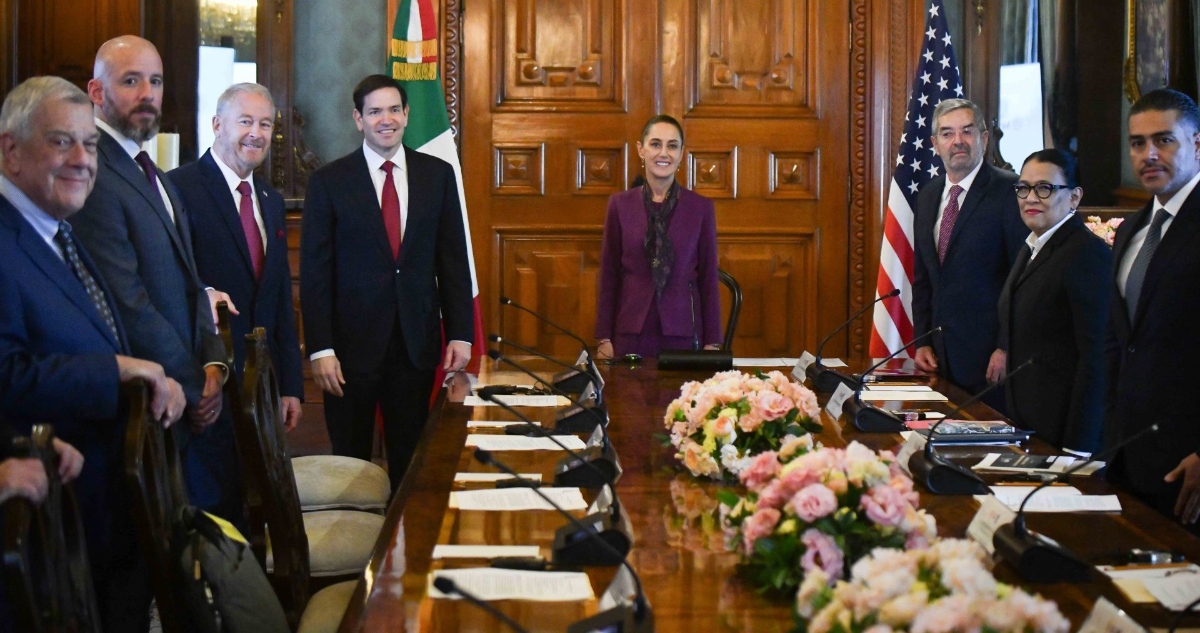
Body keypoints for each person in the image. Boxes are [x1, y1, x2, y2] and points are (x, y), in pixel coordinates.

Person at [0, 74, 185, 631]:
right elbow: (8, 375)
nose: (83, 160)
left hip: (102, 511)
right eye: (62, 142)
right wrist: (119, 368)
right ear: (11, 150)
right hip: (51, 521)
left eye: (91, 144)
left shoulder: (57, 227)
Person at [68, 36, 232, 518]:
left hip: (185, 393)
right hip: (148, 403)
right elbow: (126, 300)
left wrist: (213, 366)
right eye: (131, 80)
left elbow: (190, 281)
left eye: (155, 81)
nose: (147, 93)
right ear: (96, 92)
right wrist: (190, 378)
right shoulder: (92, 172)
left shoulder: (151, 170)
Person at [300, 74, 473, 491]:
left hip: (414, 347)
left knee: (411, 463)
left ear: (408, 114)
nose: (386, 120)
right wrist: (321, 348)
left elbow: (452, 260)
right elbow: (315, 273)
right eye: (375, 111)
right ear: (358, 119)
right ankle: (356, 554)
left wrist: (462, 333)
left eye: (394, 109)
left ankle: (406, 551)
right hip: (348, 353)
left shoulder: (438, 175)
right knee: (350, 466)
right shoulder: (329, 182)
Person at [1105, 88, 1200, 527]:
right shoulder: (1131, 229)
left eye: (1164, 140)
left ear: (1196, 144)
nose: (1149, 154)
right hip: (1128, 453)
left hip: (1189, 461)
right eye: (1137, 143)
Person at [911, 99, 1027, 407]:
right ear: (935, 144)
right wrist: (921, 340)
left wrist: (1006, 347)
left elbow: (1022, 278)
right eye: (947, 134)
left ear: (984, 138)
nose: (958, 141)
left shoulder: (1011, 192)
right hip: (939, 357)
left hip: (990, 360)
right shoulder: (928, 196)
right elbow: (922, 277)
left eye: (967, 131)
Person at [997, 149, 1110, 454]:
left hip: (1065, 433)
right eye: (1023, 188)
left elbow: (1096, 357)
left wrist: (1079, 447)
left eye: (1044, 188)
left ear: (1074, 198)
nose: (1030, 198)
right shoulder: (1031, 246)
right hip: (1027, 423)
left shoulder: (1086, 254)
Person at [594, 114, 721, 359]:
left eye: (672, 146)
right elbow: (609, 274)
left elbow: (708, 277)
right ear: (641, 150)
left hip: (683, 332)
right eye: (655, 144)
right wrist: (604, 338)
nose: (664, 153)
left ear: (681, 153)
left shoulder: (700, 208)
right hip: (630, 331)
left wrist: (712, 343)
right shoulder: (620, 204)